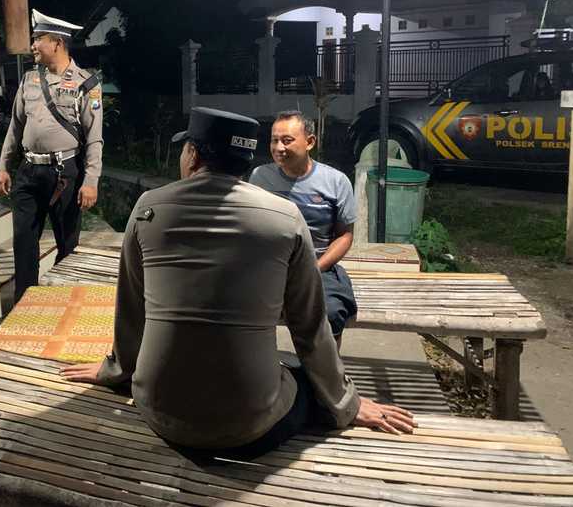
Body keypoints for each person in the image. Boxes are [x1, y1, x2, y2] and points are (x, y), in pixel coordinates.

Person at [61, 107, 414, 451]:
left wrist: (114, 369)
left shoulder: (148, 208)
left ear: (192, 155)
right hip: (251, 427)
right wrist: (347, 403)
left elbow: (131, 310)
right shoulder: (286, 218)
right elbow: (309, 327)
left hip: (159, 412)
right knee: (302, 375)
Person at [0, 10, 103, 303]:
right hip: (28, 171)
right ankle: (24, 305)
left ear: (57, 42)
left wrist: (91, 181)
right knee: (24, 243)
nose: (32, 45)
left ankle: (63, 303)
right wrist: (4, 166)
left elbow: (94, 138)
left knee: (67, 244)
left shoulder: (87, 84)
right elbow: (16, 126)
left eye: (38, 39)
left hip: (64, 173)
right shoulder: (30, 79)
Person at [249, 111, 358, 344]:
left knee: (332, 312)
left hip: (318, 267)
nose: (279, 147)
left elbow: (345, 236)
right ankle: (260, 362)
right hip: (271, 268)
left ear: (309, 142)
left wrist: (314, 268)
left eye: (287, 140)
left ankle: (326, 366)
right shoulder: (260, 178)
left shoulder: (336, 182)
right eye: (274, 140)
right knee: (239, 304)